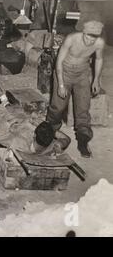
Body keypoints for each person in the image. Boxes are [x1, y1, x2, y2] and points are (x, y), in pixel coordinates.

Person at [46, 20, 105, 158]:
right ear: (83, 32)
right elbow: (58, 61)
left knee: (83, 108)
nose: (90, 40)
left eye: (94, 37)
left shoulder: (99, 43)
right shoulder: (71, 38)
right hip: (64, 72)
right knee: (58, 107)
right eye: (88, 36)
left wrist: (96, 79)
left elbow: (99, 59)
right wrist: (61, 84)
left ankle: (83, 140)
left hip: (82, 74)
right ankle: (50, 132)